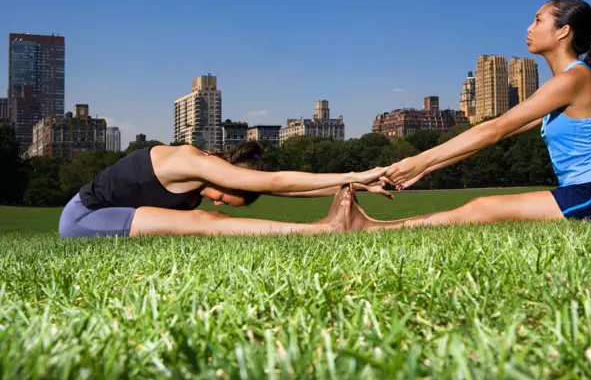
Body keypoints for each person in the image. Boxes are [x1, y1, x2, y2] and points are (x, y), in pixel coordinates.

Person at [367, 0, 591, 230]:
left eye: (538, 21)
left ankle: (374, 229)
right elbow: (493, 136)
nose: (529, 28)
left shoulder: (572, 79)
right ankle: (376, 227)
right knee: (482, 207)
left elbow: (495, 129)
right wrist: (426, 169)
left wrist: (420, 160)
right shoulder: (564, 84)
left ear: (563, 31)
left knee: (483, 207)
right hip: (585, 192)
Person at [58, 141, 389, 238]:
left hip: (113, 215)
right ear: (229, 176)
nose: (217, 198)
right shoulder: (191, 161)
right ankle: (322, 231)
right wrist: (357, 174)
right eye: (222, 194)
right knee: (205, 220)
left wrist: (346, 186)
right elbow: (275, 181)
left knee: (209, 217)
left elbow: (282, 191)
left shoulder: (209, 178)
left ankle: (325, 227)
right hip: (84, 217)